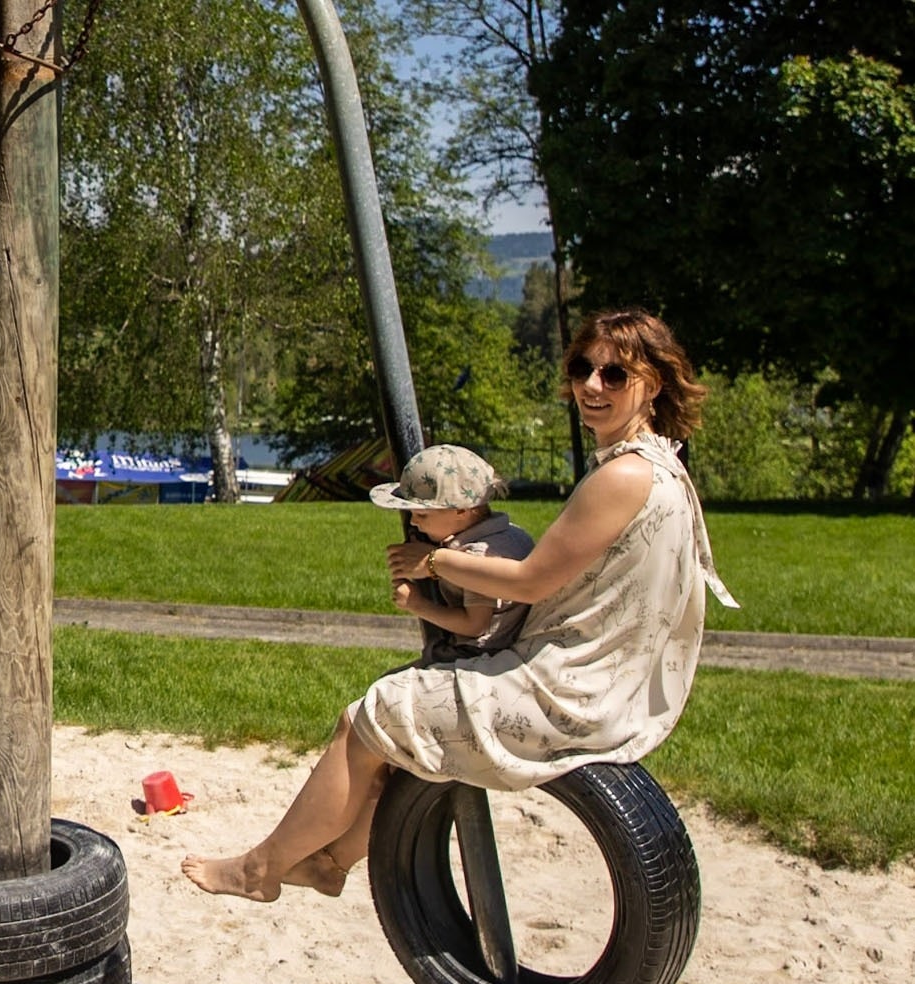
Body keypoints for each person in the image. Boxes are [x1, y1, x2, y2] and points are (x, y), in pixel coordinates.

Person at [182, 308, 738, 902]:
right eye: (583, 368)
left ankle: (258, 872)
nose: (592, 385)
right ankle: (331, 861)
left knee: (371, 716)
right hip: (606, 684)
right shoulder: (661, 467)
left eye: (615, 375)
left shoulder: (622, 477)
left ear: (652, 382)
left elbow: (527, 581)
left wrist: (435, 562)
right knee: (400, 722)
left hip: (573, 693)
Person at [368, 444, 536, 666]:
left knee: (382, 693)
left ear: (461, 510)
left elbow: (475, 625)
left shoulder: (479, 556)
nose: (414, 522)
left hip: (478, 656)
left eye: (422, 515)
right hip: (503, 649)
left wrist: (417, 604)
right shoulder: (511, 533)